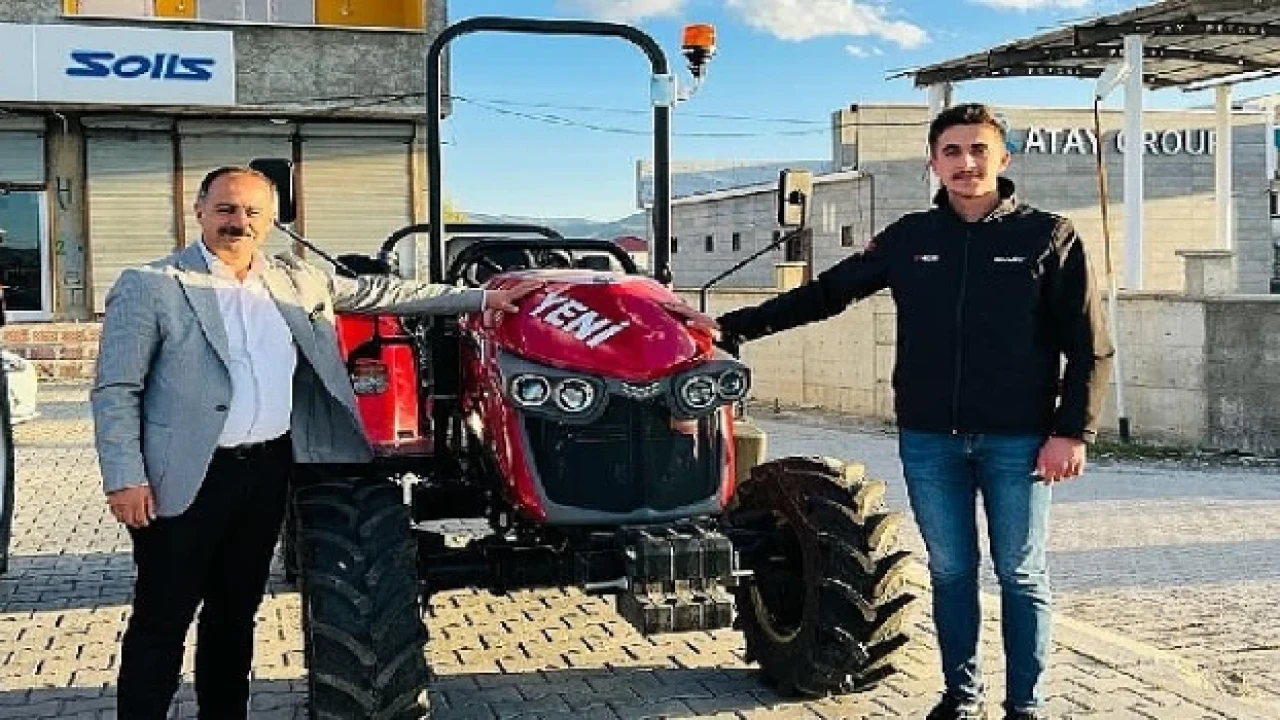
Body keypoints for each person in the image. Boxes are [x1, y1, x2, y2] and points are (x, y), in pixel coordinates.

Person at [668, 103, 1114, 720]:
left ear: (1003, 158)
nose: (966, 162)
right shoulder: (911, 238)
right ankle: (961, 698)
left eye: (979, 149)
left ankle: (1024, 707)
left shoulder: (1048, 236)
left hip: (1018, 440)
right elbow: (827, 293)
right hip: (930, 439)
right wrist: (731, 326)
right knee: (951, 572)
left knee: (1020, 573)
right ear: (934, 162)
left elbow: (1090, 346)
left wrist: (1072, 432)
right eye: (952, 151)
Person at [92, 166, 540, 719]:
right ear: (199, 210)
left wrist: (481, 298)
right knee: (163, 618)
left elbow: (382, 292)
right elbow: (116, 388)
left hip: (265, 472)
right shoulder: (151, 284)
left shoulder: (296, 280)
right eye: (226, 209)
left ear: (270, 220)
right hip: (182, 477)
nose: (239, 222)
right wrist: (125, 477)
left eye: (252, 212)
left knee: (234, 615)